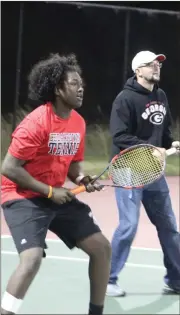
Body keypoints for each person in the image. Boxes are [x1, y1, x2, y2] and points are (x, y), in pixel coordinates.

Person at [1, 53, 111, 314]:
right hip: (22, 196)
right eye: (74, 83)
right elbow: (9, 168)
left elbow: (73, 165)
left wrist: (82, 179)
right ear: (58, 89)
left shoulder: (78, 123)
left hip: (55, 195)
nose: (81, 87)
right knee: (31, 260)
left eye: (81, 83)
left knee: (102, 249)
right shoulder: (37, 123)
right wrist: (50, 191)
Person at [106, 50, 180, 297]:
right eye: (150, 65)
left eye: (158, 64)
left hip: (152, 172)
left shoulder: (160, 95)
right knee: (129, 225)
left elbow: (163, 130)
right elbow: (119, 135)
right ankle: (107, 280)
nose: (156, 68)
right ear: (138, 70)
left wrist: (171, 144)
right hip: (127, 170)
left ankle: (175, 280)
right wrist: (150, 148)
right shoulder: (124, 99)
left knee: (169, 226)